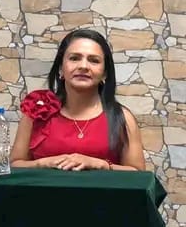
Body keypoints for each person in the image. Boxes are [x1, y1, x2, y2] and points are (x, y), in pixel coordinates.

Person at [10, 28, 144, 170]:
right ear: (60, 68)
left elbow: (138, 174)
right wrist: (43, 163)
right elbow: (14, 165)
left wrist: (102, 165)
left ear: (105, 73)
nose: (83, 66)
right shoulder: (37, 110)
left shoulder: (122, 118)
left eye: (94, 60)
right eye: (74, 58)